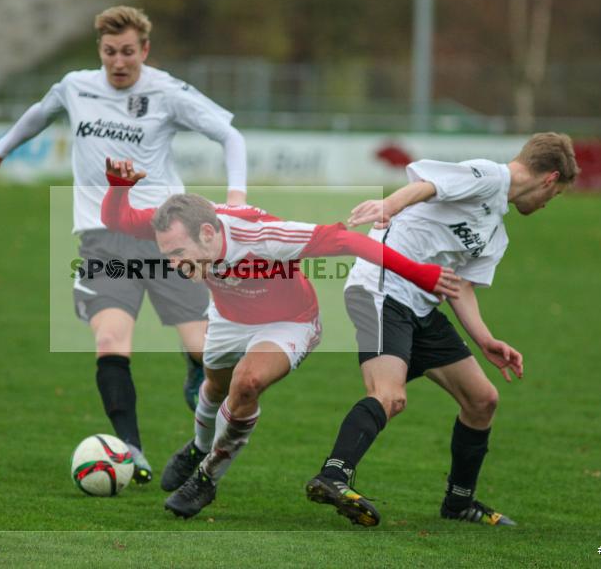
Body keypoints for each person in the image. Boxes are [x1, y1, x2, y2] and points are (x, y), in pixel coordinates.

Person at [0, 6, 248, 483]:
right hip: (103, 239)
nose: (119, 62)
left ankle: (193, 368)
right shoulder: (76, 86)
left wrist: (236, 198)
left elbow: (229, 134)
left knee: (209, 355)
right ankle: (130, 450)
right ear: (100, 50)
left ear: (145, 50)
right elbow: (39, 114)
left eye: (128, 52)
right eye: (110, 52)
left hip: (167, 237)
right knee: (110, 340)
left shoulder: (166, 91)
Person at [101, 157, 461, 519]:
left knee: (247, 383)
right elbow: (118, 220)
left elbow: (349, 241)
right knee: (214, 386)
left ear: (208, 234)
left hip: (288, 321)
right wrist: (118, 187)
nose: (174, 264)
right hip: (228, 317)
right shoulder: (177, 224)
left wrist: (421, 274)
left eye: (179, 254)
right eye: (167, 255)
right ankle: (198, 445)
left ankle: (206, 477)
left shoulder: (263, 236)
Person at [306, 132, 580, 527]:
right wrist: (388, 205)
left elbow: (460, 286)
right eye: (554, 195)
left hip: (419, 307)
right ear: (550, 179)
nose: (546, 203)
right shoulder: (489, 176)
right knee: (389, 395)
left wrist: (485, 339)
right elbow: (426, 186)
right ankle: (332, 476)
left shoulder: (496, 233)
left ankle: (458, 503)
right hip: (381, 287)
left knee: (482, 400)